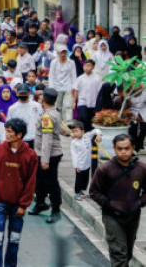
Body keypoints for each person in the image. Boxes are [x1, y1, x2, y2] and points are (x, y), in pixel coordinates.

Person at [0, 119, 39, 267]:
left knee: (14, 241)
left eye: (10, 131)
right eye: (6, 131)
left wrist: (24, 205)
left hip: (17, 206)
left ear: (19, 135)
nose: (6, 134)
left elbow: (30, 183)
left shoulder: (30, 155)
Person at [90, 134, 146, 267]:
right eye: (119, 149)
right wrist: (110, 204)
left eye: (127, 148)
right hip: (112, 217)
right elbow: (93, 192)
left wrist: (139, 202)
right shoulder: (105, 169)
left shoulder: (141, 168)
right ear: (114, 149)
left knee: (127, 254)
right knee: (118, 254)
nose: (123, 152)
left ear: (133, 148)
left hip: (133, 216)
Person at [28, 88, 70, 223]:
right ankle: (40, 203)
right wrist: (68, 133)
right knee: (39, 180)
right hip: (44, 153)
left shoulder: (47, 116)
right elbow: (60, 127)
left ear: (43, 100)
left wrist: (45, 160)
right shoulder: (53, 112)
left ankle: (56, 210)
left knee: (51, 183)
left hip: (49, 155)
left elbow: (47, 139)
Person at [68, 120, 102, 200]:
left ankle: (81, 191)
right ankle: (77, 192)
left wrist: (98, 135)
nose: (75, 133)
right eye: (73, 132)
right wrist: (76, 166)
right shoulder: (74, 143)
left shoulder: (87, 136)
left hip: (87, 164)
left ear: (82, 131)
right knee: (79, 179)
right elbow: (74, 155)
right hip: (79, 165)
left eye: (76, 131)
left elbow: (96, 130)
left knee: (85, 179)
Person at [7, 83, 43, 149]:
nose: (23, 95)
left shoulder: (37, 106)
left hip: (34, 138)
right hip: (19, 139)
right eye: (21, 93)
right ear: (17, 93)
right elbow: (9, 125)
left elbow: (41, 120)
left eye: (25, 93)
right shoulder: (12, 108)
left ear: (29, 93)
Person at [48, 44, 77, 121]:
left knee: (68, 106)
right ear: (57, 53)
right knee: (58, 107)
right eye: (61, 52)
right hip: (57, 87)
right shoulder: (54, 62)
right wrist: (52, 87)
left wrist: (74, 87)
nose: (63, 54)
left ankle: (68, 123)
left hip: (68, 86)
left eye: (64, 52)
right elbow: (51, 75)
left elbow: (73, 75)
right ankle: (59, 124)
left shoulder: (71, 62)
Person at [73, 59, 102, 131]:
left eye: (88, 66)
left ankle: (90, 132)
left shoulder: (97, 78)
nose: (86, 67)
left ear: (93, 67)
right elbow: (76, 90)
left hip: (93, 102)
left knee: (91, 119)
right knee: (83, 117)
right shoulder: (80, 78)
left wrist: (98, 102)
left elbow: (99, 91)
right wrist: (74, 101)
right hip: (82, 101)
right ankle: (82, 131)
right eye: (85, 66)